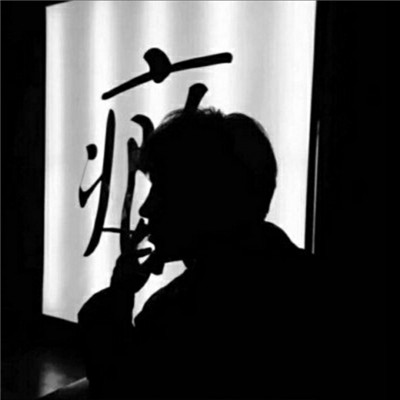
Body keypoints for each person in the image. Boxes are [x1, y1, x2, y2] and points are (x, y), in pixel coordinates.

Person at [78, 108, 317, 399]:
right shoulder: (308, 279)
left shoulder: (173, 319)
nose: (145, 209)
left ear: (202, 201)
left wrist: (118, 295)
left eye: (160, 190)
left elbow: (118, 387)